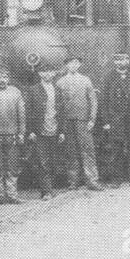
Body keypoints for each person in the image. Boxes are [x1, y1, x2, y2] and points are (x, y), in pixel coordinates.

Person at [56, 55, 102, 190]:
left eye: (76, 63)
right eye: (71, 63)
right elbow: (58, 105)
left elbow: (93, 101)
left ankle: (92, 181)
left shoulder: (86, 80)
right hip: (68, 121)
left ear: (80, 65)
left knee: (88, 150)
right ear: (66, 65)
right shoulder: (60, 82)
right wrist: (61, 126)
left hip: (83, 121)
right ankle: (73, 182)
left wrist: (92, 119)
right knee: (71, 152)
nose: (74, 65)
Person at [99, 51, 130, 187]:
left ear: (128, 61)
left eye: (123, 59)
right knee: (116, 150)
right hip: (116, 119)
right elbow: (104, 100)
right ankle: (116, 180)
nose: (120, 62)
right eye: (117, 60)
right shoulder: (109, 77)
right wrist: (106, 121)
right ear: (114, 62)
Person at [0, 67, 26, 205]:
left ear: (9, 78)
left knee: (13, 166)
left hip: (12, 136)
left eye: (5, 77)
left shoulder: (16, 93)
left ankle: (13, 195)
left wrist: (21, 133)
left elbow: (22, 115)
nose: (2, 80)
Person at [25, 66, 64, 199]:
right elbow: (28, 112)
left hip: (55, 129)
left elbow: (62, 111)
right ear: (40, 74)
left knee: (53, 161)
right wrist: (30, 131)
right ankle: (46, 191)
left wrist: (62, 131)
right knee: (43, 162)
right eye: (44, 72)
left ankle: (50, 188)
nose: (48, 74)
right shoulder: (33, 90)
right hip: (39, 131)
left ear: (54, 73)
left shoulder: (57, 89)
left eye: (50, 71)